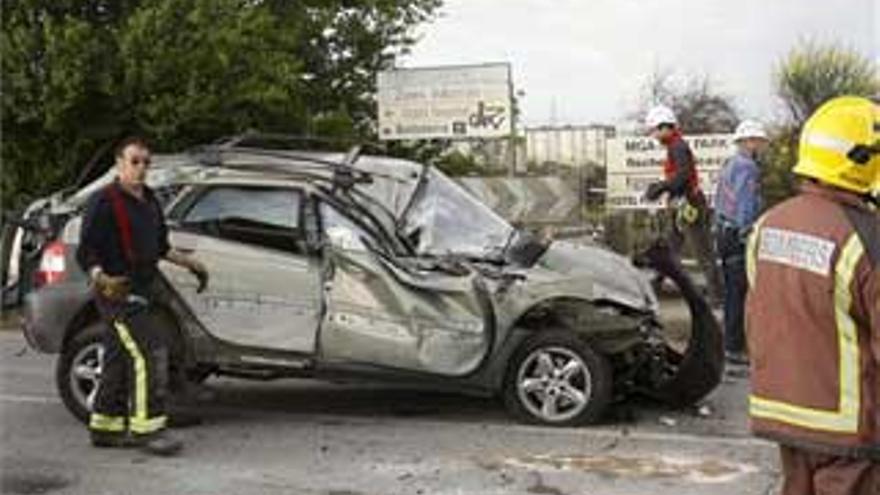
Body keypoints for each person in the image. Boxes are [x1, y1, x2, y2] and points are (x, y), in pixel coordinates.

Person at [745, 96, 879, 494]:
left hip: (782, 413)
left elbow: (760, 318)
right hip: (850, 430)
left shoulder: (766, 225)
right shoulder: (867, 237)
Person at [76, 136, 209, 456]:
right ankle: (146, 430)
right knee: (149, 354)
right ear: (119, 164)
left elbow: (161, 246)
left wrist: (192, 264)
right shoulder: (103, 201)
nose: (141, 168)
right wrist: (101, 277)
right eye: (134, 161)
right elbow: (86, 251)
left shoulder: (149, 200)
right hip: (118, 292)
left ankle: (104, 428)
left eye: (146, 162)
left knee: (117, 358)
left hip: (144, 287)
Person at [643, 104, 723, 305]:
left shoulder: (678, 146)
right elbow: (679, 177)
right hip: (682, 205)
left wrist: (660, 187)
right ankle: (655, 287)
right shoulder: (674, 146)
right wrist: (663, 189)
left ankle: (718, 297)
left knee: (703, 253)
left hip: (691, 206)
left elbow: (682, 176)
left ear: (664, 127)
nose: (654, 136)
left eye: (655, 130)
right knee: (669, 249)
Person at [714, 120, 768, 366]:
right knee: (739, 291)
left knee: (731, 292)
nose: (761, 146)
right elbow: (746, 204)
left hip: (724, 232)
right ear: (748, 142)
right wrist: (748, 234)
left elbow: (721, 201)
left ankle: (730, 342)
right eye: (759, 141)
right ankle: (734, 347)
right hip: (738, 235)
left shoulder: (730, 164)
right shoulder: (748, 168)